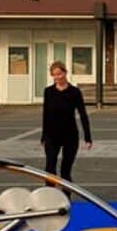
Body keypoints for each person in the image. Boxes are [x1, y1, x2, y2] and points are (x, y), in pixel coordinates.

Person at [41, 61, 92, 192]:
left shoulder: (74, 92)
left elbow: (83, 114)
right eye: (54, 75)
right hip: (52, 135)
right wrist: (43, 135)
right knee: (50, 168)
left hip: (70, 135)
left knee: (65, 170)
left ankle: (66, 196)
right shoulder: (48, 91)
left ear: (65, 73)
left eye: (59, 74)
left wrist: (88, 137)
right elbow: (46, 114)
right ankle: (49, 195)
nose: (57, 77)